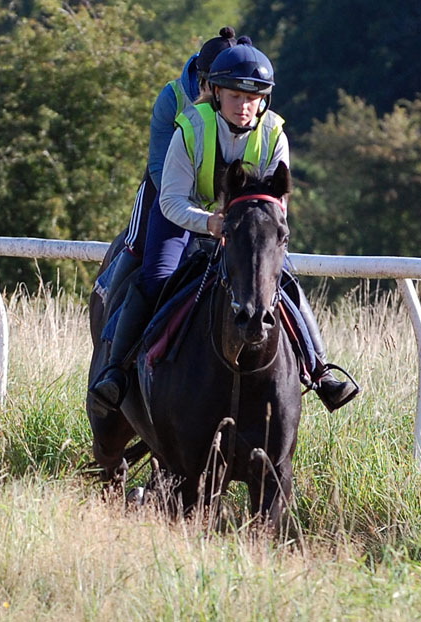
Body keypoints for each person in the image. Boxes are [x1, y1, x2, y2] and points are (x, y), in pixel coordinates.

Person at [91, 43, 360, 412]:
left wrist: (239, 227)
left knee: (283, 282)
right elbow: (169, 201)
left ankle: (319, 371)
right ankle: (116, 371)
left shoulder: (274, 135)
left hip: (242, 224)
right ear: (216, 93)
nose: (244, 106)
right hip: (182, 216)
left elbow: (276, 204)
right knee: (156, 277)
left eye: (253, 97)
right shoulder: (191, 128)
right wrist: (209, 222)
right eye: (235, 96)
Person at [103, 27, 240, 296]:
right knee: (141, 244)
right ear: (204, 84)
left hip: (225, 197)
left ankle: (305, 335)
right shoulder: (172, 98)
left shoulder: (243, 103)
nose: (234, 101)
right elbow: (159, 169)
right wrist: (199, 215)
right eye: (223, 91)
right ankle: (110, 298)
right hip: (167, 186)